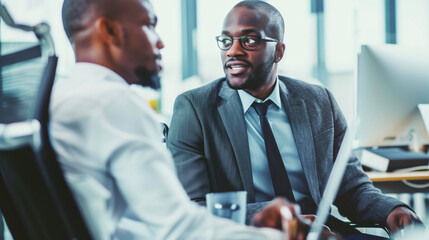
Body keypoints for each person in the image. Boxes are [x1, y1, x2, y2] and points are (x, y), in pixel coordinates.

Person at [50, 0, 329, 239]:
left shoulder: (65, 97)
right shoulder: (112, 103)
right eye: (149, 25)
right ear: (109, 31)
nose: (160, 41)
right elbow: (180, 229)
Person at [167, 0, 422, 238]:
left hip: (324, 233)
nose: (233, 51)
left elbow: (351, 187)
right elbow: (192, 207)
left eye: (249, 40)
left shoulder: (319, 101)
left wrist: (392, 210)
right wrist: (285, 219)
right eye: (226, 40)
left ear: (278, 51)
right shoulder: (194, 108)